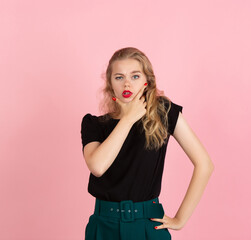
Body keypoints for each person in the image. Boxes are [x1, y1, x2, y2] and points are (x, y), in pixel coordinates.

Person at [81, 47, 214, 240]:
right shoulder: (93, 124)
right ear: (110, 84)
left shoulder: (163, 112)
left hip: (147, 224)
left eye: (135, 76)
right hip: (104, 226)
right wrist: (128, 118)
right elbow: (98, 166)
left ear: (146, 81)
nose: (127, 83)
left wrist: (180, 219)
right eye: (119, 77)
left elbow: (205, 164)